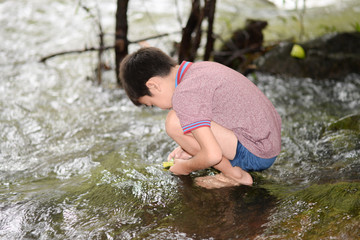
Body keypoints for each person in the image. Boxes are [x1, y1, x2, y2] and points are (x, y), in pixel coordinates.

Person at [120, 47, 281, 188]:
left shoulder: (184, 95)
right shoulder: (199, 69)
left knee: (174, 122)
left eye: (152, 103)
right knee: (186, 123)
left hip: (257, 152)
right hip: (268, 140)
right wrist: (189, 146)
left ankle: (235, 175)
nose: (160, 107)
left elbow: (213, 155)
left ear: (153, 85)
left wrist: (186, 167)